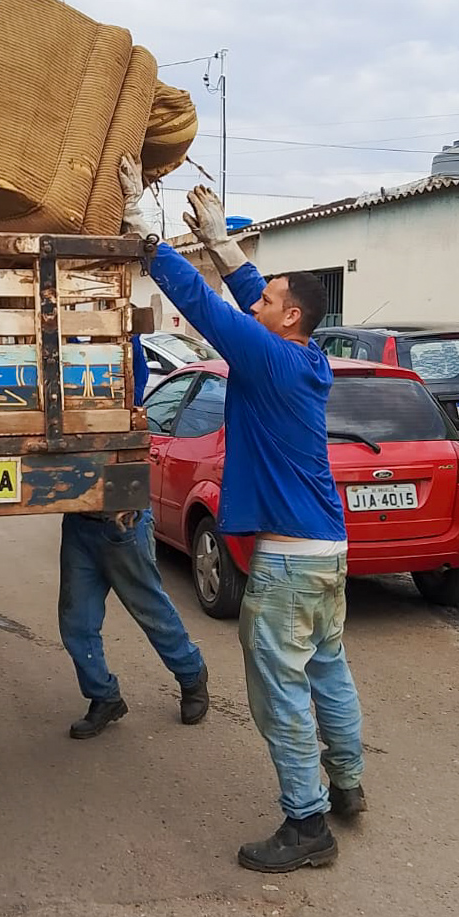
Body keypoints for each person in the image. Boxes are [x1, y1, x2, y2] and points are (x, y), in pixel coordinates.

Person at [119, 154, 365, 873]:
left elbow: (201, 307)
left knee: (280, 691)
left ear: (286, 318)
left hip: (287, 565)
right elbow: (256, 297)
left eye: (266, 302)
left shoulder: (267, 358)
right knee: (328, 669)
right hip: (326, 552)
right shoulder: (304, 353)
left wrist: (145, 232)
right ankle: (346, 783)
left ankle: (307, 823)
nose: (256, 304)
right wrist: (228, 249)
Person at [57, 333, 209, 739]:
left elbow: (132, 351)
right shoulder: (59, 390)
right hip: (80, 522)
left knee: (151, 612)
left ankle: (192, 675)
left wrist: (122, 330)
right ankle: (104, 696)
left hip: (121, 524)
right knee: (76, 622)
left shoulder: (124, 383)